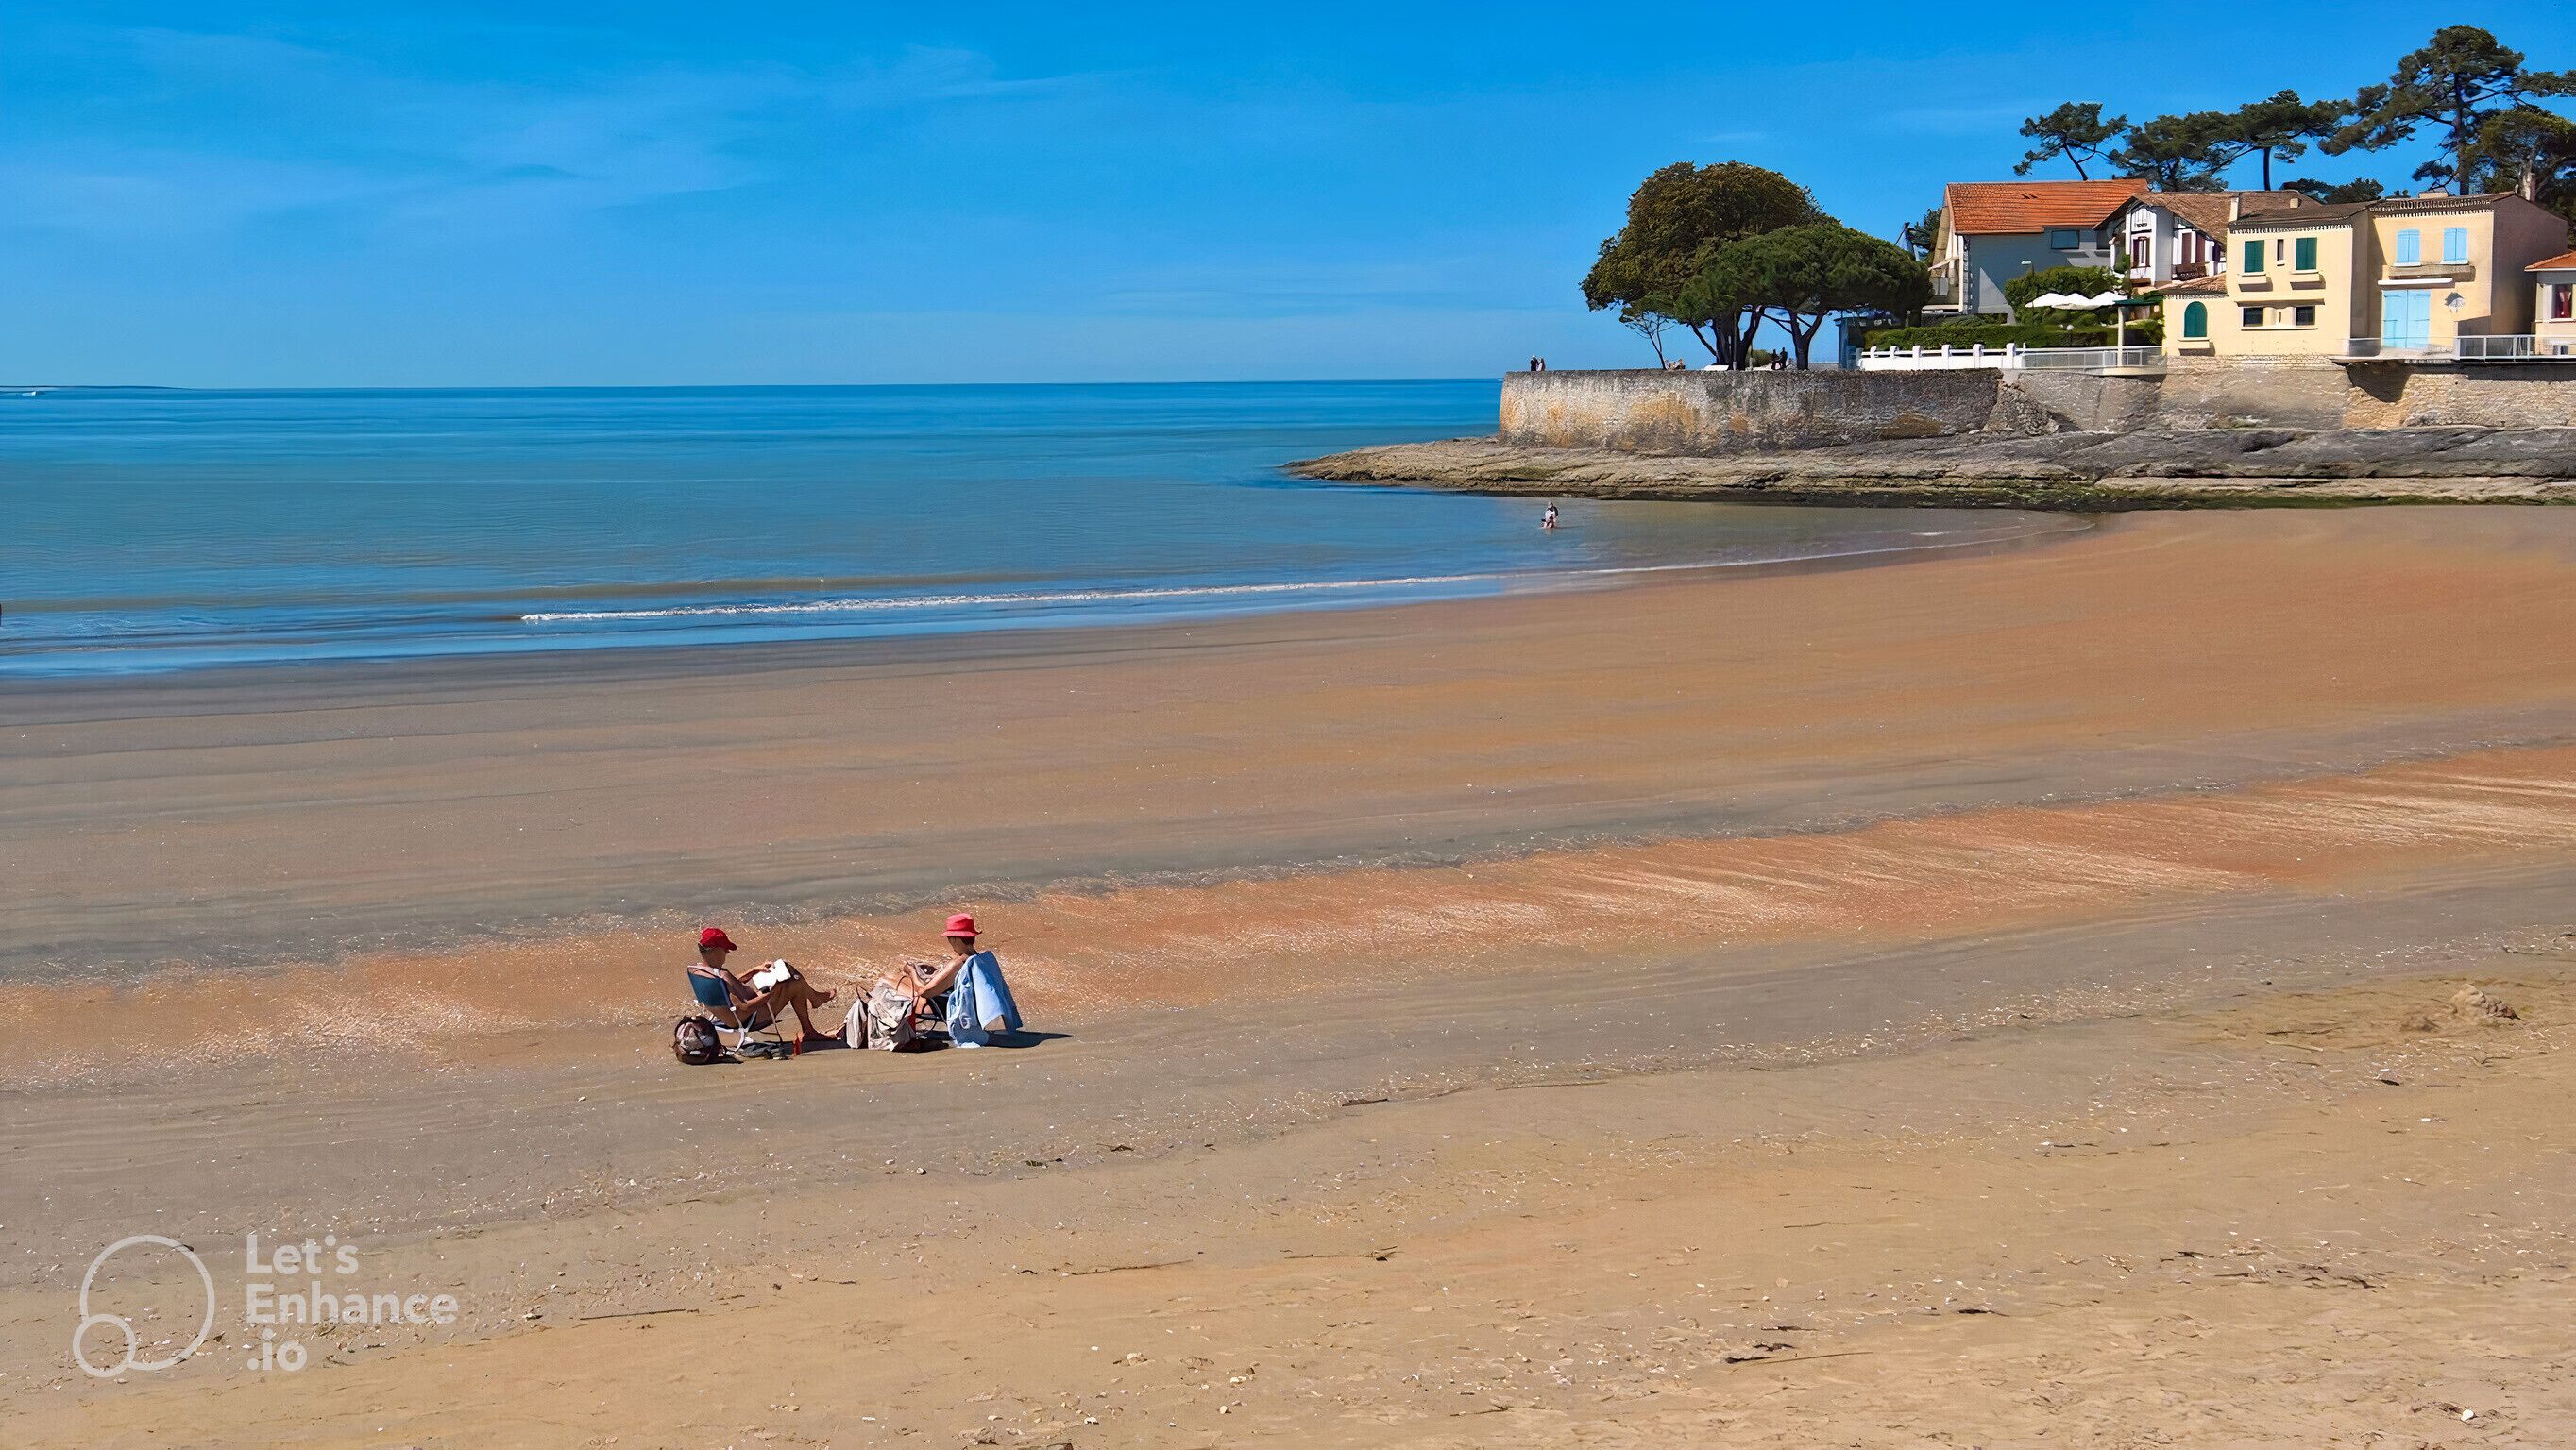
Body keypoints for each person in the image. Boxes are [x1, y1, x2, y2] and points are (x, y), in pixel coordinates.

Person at [879, 913, 1023, 1048]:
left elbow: (925, 992)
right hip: (970, 1006)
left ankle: (893, 1033)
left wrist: (912, 972)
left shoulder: (958, 963)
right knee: (899, 978)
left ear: (955, 939)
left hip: (941, 1005)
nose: (949, 942)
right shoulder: (982, 960)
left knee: (886, 981)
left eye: (949, 938)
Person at [686, 927, 838, 1045]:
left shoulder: (701, 971)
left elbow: (730, 984)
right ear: (714, 950)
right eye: (725, 949)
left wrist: (755, 970)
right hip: (752, 1017)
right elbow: (745, 1007)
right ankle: (811, 1018)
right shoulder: (721, 976)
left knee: (786, 969)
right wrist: (772, 992)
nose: (727, 952)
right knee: (794, 980)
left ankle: (814, 1001)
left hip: (731, 1016)